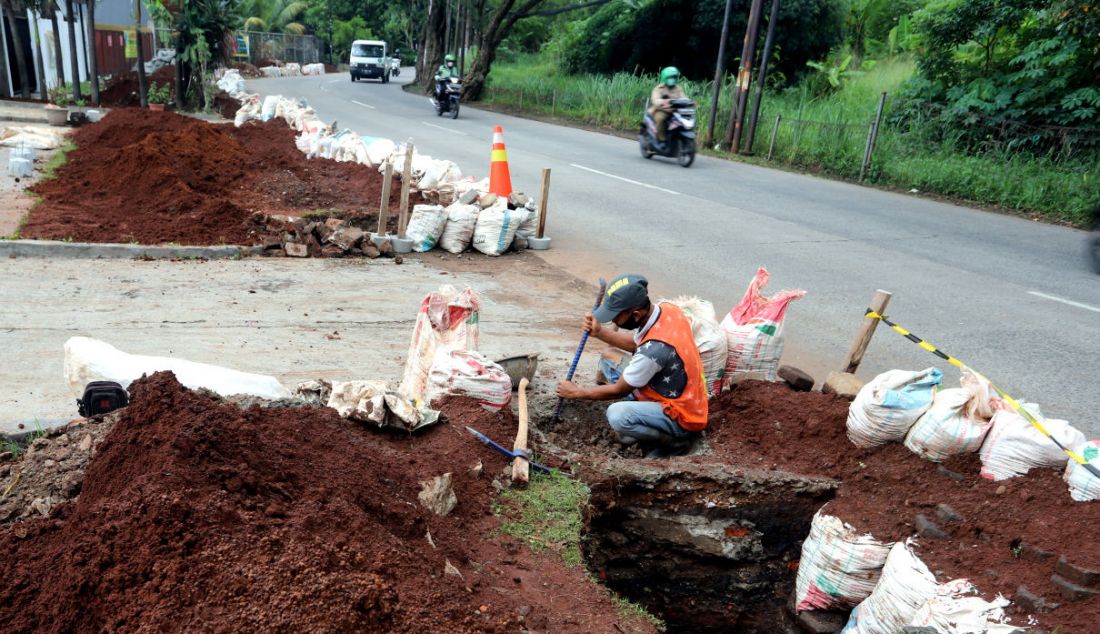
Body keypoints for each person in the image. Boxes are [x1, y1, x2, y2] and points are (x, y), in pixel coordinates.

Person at [556, 274, 708, 458]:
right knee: (608, 358)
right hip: (673, 387)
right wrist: (599, 332)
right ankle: (644, 422)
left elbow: (618, 390)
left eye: (616, 316)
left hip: (682, 414)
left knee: (617, 415)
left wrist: (577, 393)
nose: (613, 321)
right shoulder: (668, 310)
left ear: (636, 314)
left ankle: (674, 443)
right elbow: (639, 344)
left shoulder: (654, 352)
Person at [648, 66, 686, 146]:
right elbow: (655, 99)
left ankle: (678, 139)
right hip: (663, 110)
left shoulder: (678, 88)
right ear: (665, 78)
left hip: (676, 111)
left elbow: (683, 97)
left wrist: (688, 101)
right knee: (659, 119)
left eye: (674, 77)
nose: (672, 79)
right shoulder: (659, 89)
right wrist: (662, 101)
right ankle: (662, 140)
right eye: (670, 77)